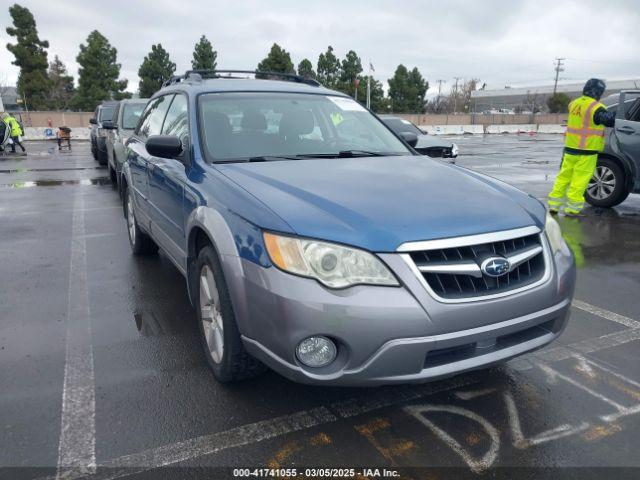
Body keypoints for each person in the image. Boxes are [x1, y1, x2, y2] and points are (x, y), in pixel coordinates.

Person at [547, 78, 616, 216]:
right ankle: (572, 208)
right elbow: (609, 121)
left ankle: (553, 205)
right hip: (587, 151)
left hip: (570, 149)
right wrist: (613, 115)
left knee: (563, 177)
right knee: (580, 180)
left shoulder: (573, 104)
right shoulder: (596, 107)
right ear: (598, 92)